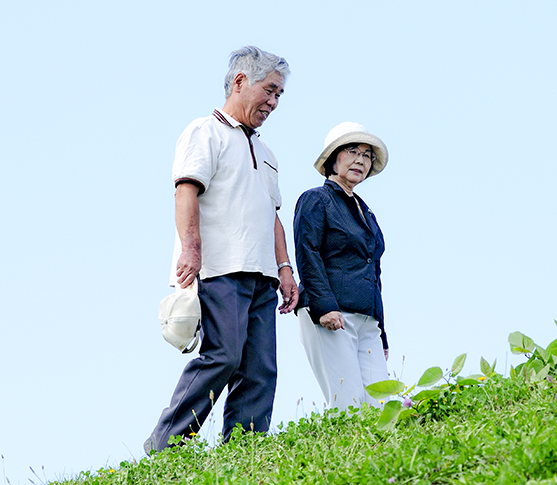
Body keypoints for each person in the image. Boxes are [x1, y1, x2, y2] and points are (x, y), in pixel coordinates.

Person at [144, 46, 298, 454]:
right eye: (269, 90)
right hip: (221, 267)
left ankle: (243, 454)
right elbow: (186, 190)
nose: (274, 102)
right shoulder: (204, 130)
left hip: (263, 273)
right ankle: (165, 444)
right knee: (224, 356)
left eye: (280, 94)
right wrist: (190, 249)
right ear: (240, 82)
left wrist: (285, 268)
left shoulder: (267, 153)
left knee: (260, 369)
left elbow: (273, 214)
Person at [293, 121, 390, 411]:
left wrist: (382, 331)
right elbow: (307, 253)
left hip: (367, 320)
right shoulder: (316, 199)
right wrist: (324, 307)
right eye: (352, 151)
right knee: (349, 404)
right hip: (332, 313)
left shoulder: (366, 212)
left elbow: (374, 273)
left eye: (367, 154)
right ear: (333, 158)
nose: (361, 159)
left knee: (382, 406)